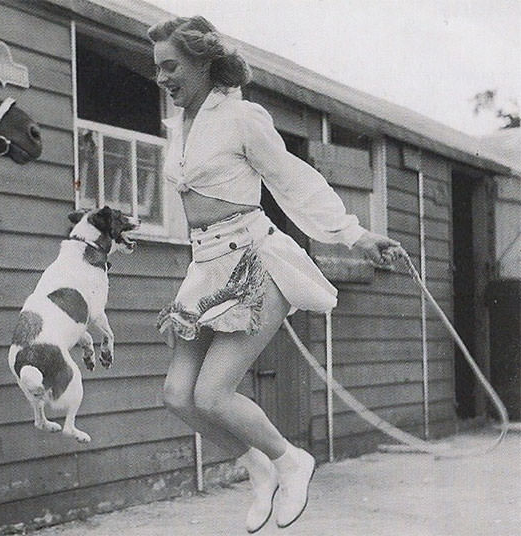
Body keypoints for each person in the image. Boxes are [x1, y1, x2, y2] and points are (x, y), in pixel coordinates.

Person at [148, 15, 401, 533]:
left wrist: (355, 234)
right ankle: (258, 467)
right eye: (158, 69)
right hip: (204, 268)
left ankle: (291, 460)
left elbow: (295, 182)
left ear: (202, 62)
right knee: (179, 395)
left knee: (212, 394)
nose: (162, 78)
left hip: (253, 262)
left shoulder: (242, 118)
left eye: (171, 66)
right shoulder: (180, 127)